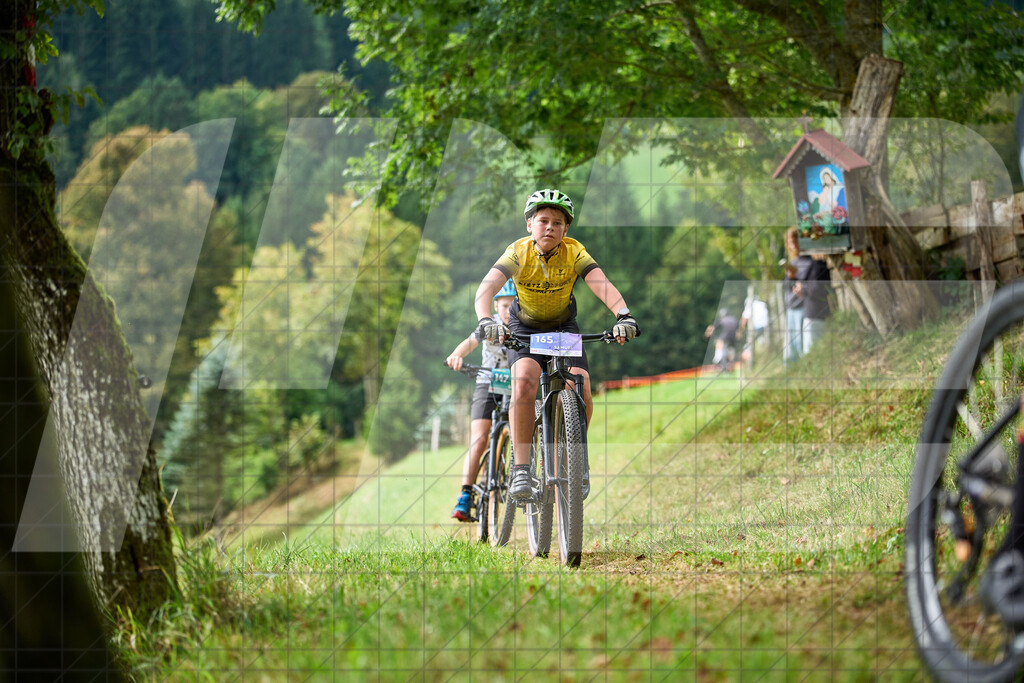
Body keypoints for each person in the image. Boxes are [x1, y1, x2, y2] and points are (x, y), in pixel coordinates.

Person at [473, 189, 640, 502]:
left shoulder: (575, 252)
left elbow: (601, 283)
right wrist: (486, 320)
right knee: (523, 382)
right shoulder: (517, 252)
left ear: (566, 229)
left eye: (558, 223)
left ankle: (577, 460)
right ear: (530, 225)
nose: (550, 227)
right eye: (543, 220)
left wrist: (624, 315)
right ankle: (522, 467)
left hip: (563, 329)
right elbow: (486, 290)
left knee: (583, 385)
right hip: (523, 328)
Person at [445, 280, 516, 521]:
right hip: (488, 382)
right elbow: (471, 342)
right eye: (505, 305)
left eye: (514, 306)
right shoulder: (490, 325)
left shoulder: (524, 326)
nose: (509, 311)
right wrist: (456, 355)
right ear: (495, 306)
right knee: (479, 439)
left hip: (517, 384)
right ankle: (465, 497)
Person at [782, 227, 807, 364]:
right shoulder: (793, 262)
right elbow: (786, 287)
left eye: (795, 242)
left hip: (802, 306)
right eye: (790, 242)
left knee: (800, 343)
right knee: (790, 346)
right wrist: (790, 277)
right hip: (791, 307)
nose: (793, 245)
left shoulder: (808, 261)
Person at [799, 253, 832, 354]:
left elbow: (817, 288)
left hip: (816, 313)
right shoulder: (816, 265)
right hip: (813, 312)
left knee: (812, 350)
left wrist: (803, 290)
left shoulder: (819, 266)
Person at [704, 308, 738, 373]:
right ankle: (731, 367)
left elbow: (712, 327)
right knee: (732, 352)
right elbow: (738, 330)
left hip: (725, 338)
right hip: (733, 338)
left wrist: (707, 334)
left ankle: (724, 369)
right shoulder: (733, 319)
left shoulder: (721, 319)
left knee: (723, 353)